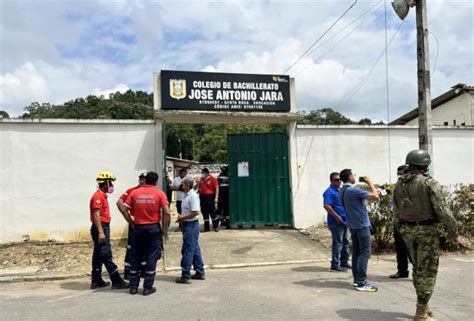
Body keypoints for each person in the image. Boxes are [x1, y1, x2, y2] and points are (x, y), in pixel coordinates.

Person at [393, 150, 459, 320]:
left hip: (407, 231)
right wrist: (453, 231)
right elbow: (442, 210)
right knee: (427, 271)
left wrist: (402, 230)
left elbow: (396, 212)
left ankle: (425, 305)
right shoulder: (429, 183)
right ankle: (421, 313)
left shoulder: (399, 184)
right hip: (425, 231)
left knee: (417, 269)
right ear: (425, 165)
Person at [121, 171, 171, 296]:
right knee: (151, 256)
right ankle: (147, 287)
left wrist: (131, 222)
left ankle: (133, 287)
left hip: (138, 228)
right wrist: (165, 230)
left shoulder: (134, 193)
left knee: (135, 256)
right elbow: (167, 213)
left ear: (145, 180)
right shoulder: (159, 193)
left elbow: (123, 208)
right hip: (153, 228)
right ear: (156, 182)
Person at [339, 169, 379, 292]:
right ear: (350, 177)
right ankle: (362, 282)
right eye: (353, 175)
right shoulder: (353, 190)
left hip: (353, 225)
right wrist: (370, 183)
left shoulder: (343, 190)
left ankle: (357, 280)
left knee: (356, 252)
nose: (355, 177)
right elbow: (375, 196)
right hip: (361, 225)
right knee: (365, 253)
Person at [89, 171, 129, 290]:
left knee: (98, 255)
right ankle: (116, 280)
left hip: (102, 226)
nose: (111, 185)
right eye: (110, 182)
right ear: (106, 183)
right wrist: (101, 232)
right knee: (106, 254)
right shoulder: (98, 196)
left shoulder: (102, 195)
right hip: (100, 227)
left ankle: (96, 280)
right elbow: (96, 215)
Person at [116, 172, 147, 280]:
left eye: (144, 179)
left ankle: (143, 270)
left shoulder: (149, 191)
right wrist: (129, 220)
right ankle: (128, 272)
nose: (142, 181)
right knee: (131, 248)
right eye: (141, 179)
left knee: (144, 248)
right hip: (135, 224)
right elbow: (119, 203)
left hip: (145, 224)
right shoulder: (132, 191)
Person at [175, 177, 205, 284]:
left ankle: (185, 275)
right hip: (188, 224)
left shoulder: (193, 196)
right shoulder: (185, 195)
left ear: (188, 185)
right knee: (194, 249)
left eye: (183, 184)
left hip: (191, 225)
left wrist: (182, 218)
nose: (182, 186)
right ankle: (200, 272)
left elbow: (195, 212)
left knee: (187, 250)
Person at [323, 172, 350, 272]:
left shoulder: (340, 190)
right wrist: (336, 216)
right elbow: (327, 205)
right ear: (331, 181)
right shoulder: (329, 192)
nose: (339, 181)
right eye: (336, 180)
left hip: (344, 220)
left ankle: (344, 261)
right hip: (336, 221)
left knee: (345, 242)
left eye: (340, 180)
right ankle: (335, 264)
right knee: (338, 243)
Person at [389, 165, 411, 279]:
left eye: (402, 174)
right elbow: (392, 201)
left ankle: (418, 271)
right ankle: (402, 270)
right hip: (398, 220)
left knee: (412, 247)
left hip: (409, 221)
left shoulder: (412, 186)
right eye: (399, 174)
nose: (400, 177)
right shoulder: (397, 185)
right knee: (400, 246)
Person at [198, 168, 219, 232]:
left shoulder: (213, 179)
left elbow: (217, 188)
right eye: (202, 173)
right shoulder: (201, 179)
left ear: (207, 173)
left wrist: (216, 197)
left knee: (212, 212)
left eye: (203, 173)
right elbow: (198, 187)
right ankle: (206, 228)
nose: (202, 174)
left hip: (210, 196)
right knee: (204, 212)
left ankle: (215, 227)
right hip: (202, 197)